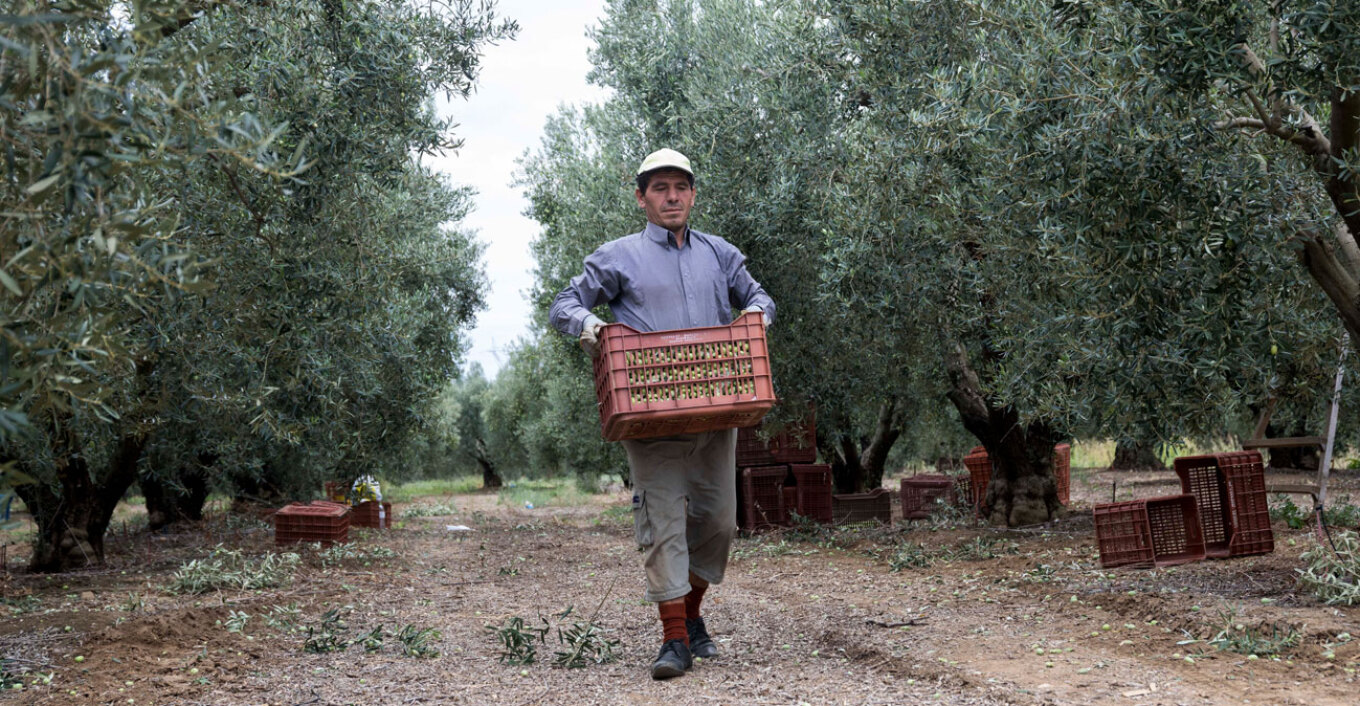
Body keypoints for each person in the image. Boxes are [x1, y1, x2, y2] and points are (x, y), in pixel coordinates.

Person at [549, 148, 775, 679]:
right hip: (650, 416)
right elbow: (564, 303)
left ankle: (692, 618)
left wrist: (756, 316)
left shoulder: (720, 254)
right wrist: (596, 329)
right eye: (659, 188)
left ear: (693, 194)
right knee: (663, 524)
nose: (671, 197)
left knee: (718, 524)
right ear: (641, 197)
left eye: (680, 187)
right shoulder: (618, 256)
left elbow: (759, 296)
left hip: (717, 411)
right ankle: (674, 639)